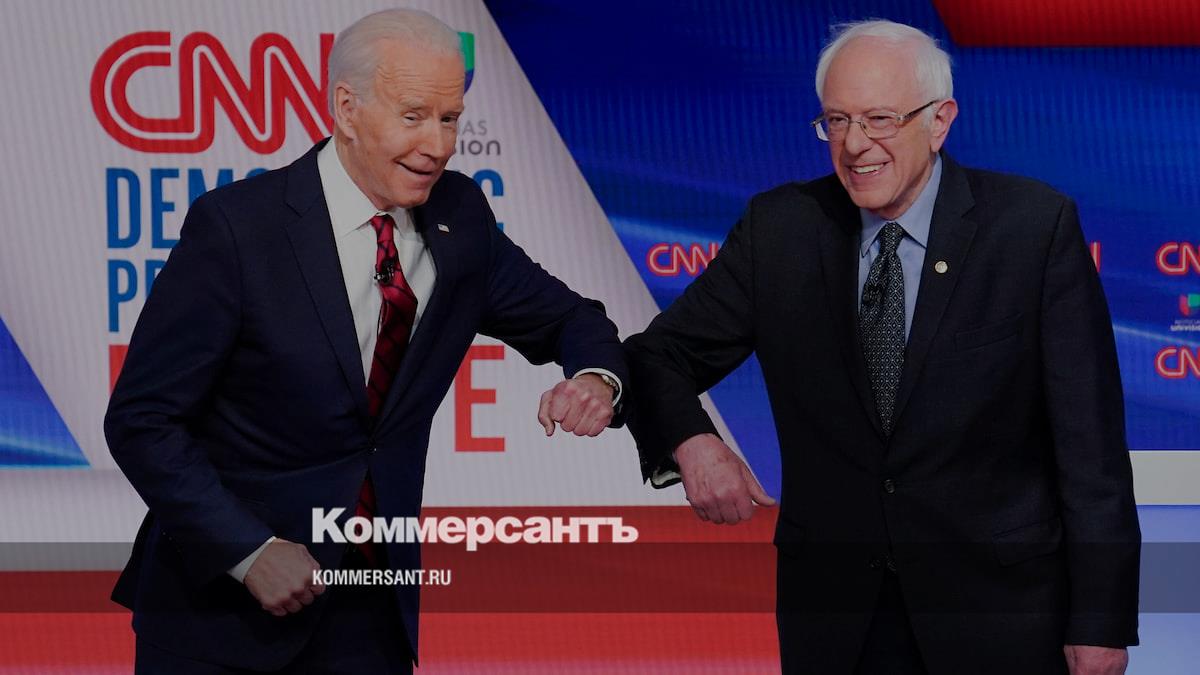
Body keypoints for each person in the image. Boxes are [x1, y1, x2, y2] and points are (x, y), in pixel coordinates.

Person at [105, 8, 626, 673]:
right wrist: (249, 551)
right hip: (221, 618)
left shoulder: (459, 217)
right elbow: (143, 420)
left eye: (451, 119)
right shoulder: (238, 230)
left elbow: (572, 318)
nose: (438, 145)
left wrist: (595, 378)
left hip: (371, 615)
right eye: (413, 117)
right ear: (347, 110)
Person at [624, 19, 1139, 675]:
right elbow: (657, 355)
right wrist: (692, 440)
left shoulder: (1032, 228)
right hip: (839, 620)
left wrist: (1100, 619)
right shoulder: (780, 230)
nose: (854, 144)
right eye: (836, 121)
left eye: (879, 120)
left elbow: (1090, 447)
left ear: (939, 121)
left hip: (1000, 615)